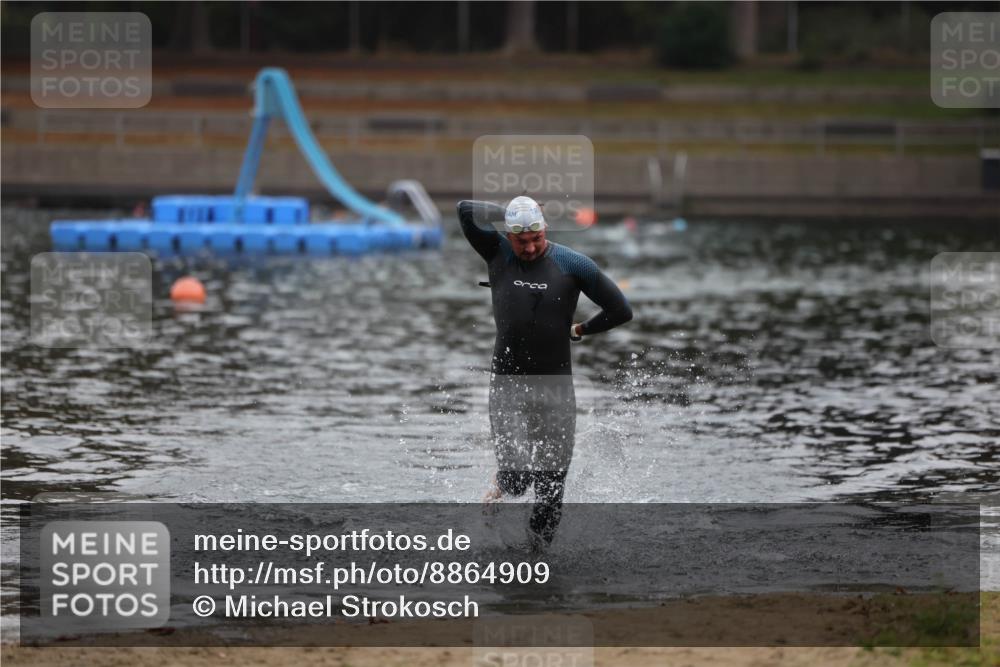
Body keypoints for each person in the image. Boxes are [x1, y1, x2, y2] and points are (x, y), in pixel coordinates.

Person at [457, 196, 633, 546]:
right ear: (508, 235)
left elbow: (620, 310)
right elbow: (465, 210)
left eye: (536, 237)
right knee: (518, 478)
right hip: (508, 384)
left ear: (545, 230)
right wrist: (506, 211)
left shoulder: (572, 264)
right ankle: (498, 491)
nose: (530, 246)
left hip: (556, 388)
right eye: (521, 240)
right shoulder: (497, 254)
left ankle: (537, 568)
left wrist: (580, 330)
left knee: (551, 488)